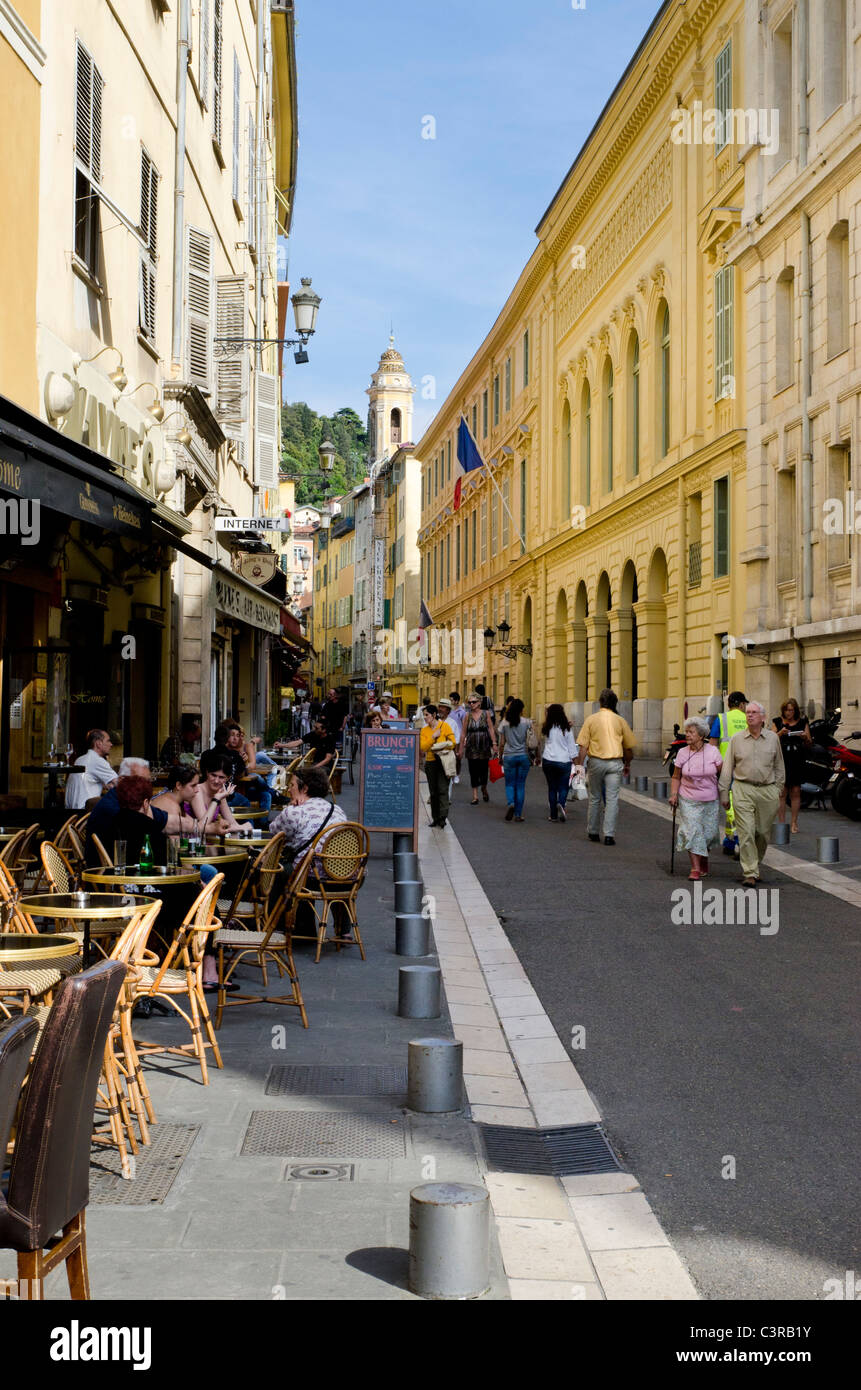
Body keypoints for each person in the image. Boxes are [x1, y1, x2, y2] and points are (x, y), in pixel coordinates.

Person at [719, 701, 784, 885]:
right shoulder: (736, 739)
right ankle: (750, 872)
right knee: (746, 831)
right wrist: (724, 792)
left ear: (763, 717)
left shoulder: (773, 738)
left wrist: (778, 788)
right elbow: (727, 767)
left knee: (762, 833)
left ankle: (755, 865)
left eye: (754, 712)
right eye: (748, 712)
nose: (749, 715)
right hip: (742, 788)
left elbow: (779, 766)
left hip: (767, 790)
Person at [576, 689, 636, 845]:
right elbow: (628, 748)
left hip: (595, 762)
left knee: (595, 798)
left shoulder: (591, 719)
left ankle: (593, 832)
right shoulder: (620, 720)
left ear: (600, 702)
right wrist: (627, 763)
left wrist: (579, 766)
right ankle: (609, 835)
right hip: (615, 762)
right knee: (612, 800)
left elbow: (583, 746)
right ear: (615, 703)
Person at [669, 717, 723, 880]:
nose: (687, 735)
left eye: (691, 732)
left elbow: (722, 774)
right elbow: (676, 776)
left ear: (701, 735)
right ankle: (695, 868)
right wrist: (673, 794)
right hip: (688, 799)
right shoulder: (682, 753)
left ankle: (703, 857)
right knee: (692, 831)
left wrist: (725, 793)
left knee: (708, 833)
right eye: (687, 732)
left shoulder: (713, 751)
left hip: (710, 799)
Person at [269, 764, 347, 868]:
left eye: (292, 785)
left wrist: (289, 806)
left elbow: (274, 833)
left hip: (308, 875)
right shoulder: (337, 809)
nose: (288, 790)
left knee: (267, 865)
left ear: (304, 789)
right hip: (344, 874)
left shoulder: (294, 812)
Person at [84, 773, 169, 868]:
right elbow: (167, 864)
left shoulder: (107, 822)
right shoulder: (149, 828)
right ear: (145, 803)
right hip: (138, 880)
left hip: (102, 878)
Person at [709, 691, 748, 855]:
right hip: (746, 766)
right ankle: (733, 841)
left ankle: (733, 840)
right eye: (744, 704)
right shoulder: (749, 718)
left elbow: (712, 744)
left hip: (726, 767)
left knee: (729, 802)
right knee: (737, 803)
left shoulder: (721, 719)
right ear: (740, 704)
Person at [772, 698, 812, 833]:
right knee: (782, 792)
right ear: (783, 710)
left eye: (792, 710)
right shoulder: (777, 721)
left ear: (795, 711)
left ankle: (794, 822)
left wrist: (805, 737)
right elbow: (770, 741)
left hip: (797, 759)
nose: (789, 713)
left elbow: (809, 743)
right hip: (782, 759)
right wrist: (779, 733)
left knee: (795, 791)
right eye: (787, 710)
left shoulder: (802, 722)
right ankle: (782, 823)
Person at [537, 704, 577, 822]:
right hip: (564, 761)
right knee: (564, 787)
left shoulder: (547, 727)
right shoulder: (567, 729)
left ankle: (553, 815)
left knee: (552, 788)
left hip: (548, 761)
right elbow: (572, 749)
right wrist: (578, 764)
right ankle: (561, 804)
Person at [420, 703, 457, 828]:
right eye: (424, 715)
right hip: (430, 762)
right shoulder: (424, 730)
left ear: (434, 715)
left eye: (427, 715)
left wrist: (440, 746)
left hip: (443, 761)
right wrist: (433, 737)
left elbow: (452, 743)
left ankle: (442, 817)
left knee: (443, 789)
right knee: (433, 791)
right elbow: (423, 747)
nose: (425, 717)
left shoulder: (444, 726)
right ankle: (435, 818)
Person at [497, 698, 534, 822]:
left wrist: (499, 757)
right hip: (523, 756)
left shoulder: (504, 723)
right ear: (521, 710)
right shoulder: (527, 722)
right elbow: (533, 741)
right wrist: (537, 756)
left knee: (509, 783)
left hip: (509, 756)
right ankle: (518, 814)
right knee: (520, 785)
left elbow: (502, 743)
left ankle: (511, 803)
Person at [458, 692, 497, 804]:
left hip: (484, 746)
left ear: (479, 702)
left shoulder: (486, 714)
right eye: (469, 702)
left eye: (474, 702)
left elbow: (490, 729)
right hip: (471, 747)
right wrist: (461, 748)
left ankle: (484, 787)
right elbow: (463, 733)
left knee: (484, 770)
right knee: (473, 771)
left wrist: (494, 743)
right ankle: (475, 796)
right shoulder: (467, 715)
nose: (471, 704)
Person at [65, 729, 117, 810]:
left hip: (70, 813)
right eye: (108, 741)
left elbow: (88, 780)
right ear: (98, 743)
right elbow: (120, 784)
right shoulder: (97, 760)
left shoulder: (80, 759)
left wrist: (105, 784)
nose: (111, 744)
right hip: (85, 813)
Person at [194, 752, 242, 835]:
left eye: (221, 777)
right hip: (193, 842)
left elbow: (232, 823)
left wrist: (244, 832)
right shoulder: (197, 791)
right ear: (207, 772)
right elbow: (204, 825)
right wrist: (216, 799)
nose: (216, 781)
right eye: (213, 775)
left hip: (210, 841)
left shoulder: (220, 793)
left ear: (228, 778)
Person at [447, 692, 467, 783]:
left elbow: (464, 725)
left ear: (457, 701)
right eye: (450, 700)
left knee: (457, 757)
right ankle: (451, 774)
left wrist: (465, 737)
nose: (450, 702)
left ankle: (457, 775)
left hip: (458, 737)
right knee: (449, 757)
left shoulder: (462, 712)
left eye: (452, 700)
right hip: (448, 736)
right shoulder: (448, 711)